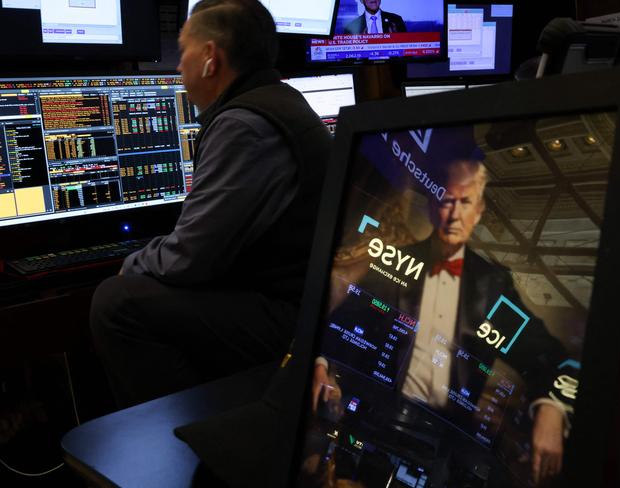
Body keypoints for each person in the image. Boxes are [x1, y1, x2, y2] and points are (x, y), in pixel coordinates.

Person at [90, 0, 332, 409]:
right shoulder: (280, 99)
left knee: (117, 302)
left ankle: (183, 437)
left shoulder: (243, 126)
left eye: (184, 51)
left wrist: (133, 263)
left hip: (290, 319)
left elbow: (190, 256)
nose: (178, 67)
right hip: (309, 306)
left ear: (209, 58)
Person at [313, 159, 570, 485]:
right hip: (366, 418)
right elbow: (338, 325)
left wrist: (551, 410)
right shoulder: (393, 256)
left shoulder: (493, 288)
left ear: (478, 212)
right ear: (435, 205)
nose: (454, 213)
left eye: (465, 202)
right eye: (447, 200)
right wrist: (320, 365)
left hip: (439, 444)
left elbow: (551, 360)